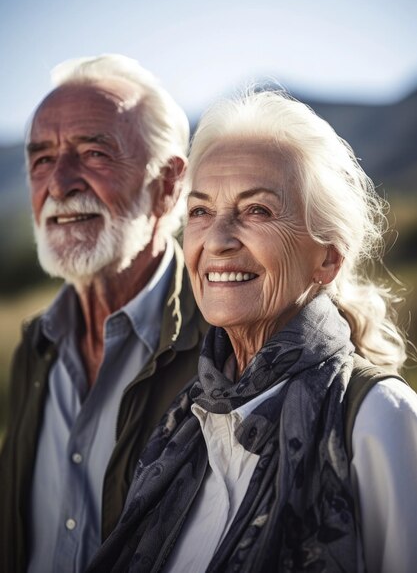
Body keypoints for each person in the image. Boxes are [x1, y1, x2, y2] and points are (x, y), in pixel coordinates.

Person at [86, 88, 417, 573]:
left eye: (257, 210)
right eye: (200, 211)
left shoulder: (379, 420)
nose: (217, 241)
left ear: (328, 258)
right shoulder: (182, 424)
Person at [0, 54, 207, 573]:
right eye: (41, 159)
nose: (60, 183)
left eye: (94, 153)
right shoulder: (35, 345)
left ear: (167, 185)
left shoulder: (227, 349)